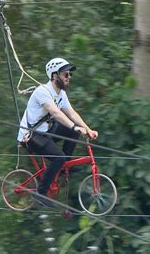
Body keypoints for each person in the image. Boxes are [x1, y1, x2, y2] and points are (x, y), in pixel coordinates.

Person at [17, 57, 98, 207]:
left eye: (70, 75)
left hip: (45, 133)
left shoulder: (61, 94)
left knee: (73, 131)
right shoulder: (43, 91)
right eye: (66, 74)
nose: (69, 78)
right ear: (55, 76)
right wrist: (74, 126)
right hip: (31, 136)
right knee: (58, 157)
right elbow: (56, 113)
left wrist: (87, 129)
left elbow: (72, 113)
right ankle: (41, 194)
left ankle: (62, 168)